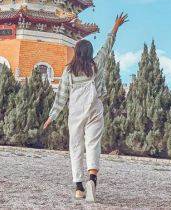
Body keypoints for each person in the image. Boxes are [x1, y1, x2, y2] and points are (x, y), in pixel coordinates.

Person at [43, 13, 128, 202]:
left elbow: (61, 96)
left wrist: (52, 116)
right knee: (92, 144)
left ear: (76, 53)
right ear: (90, 54)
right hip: (94, 107)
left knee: (75, 146)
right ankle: (92, 179)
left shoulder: (69, 71)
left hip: (76, 110)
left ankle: (79, 187)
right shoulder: (96, 65)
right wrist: (115, 27)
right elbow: (107, 46)